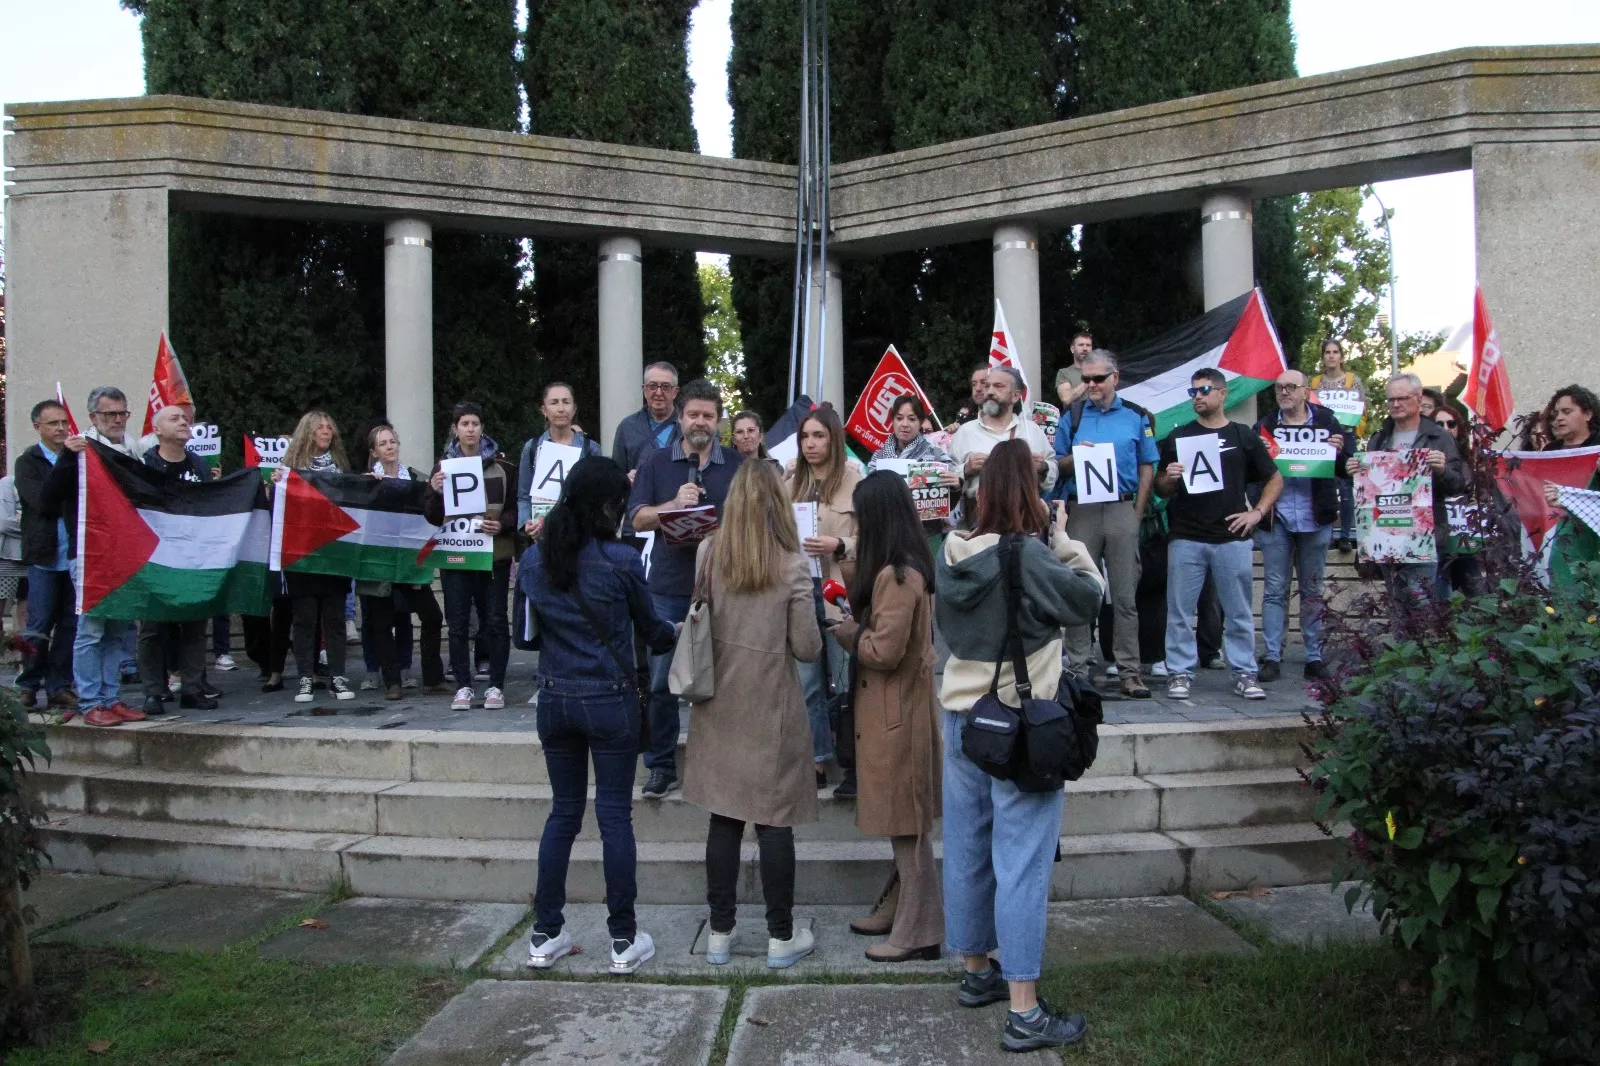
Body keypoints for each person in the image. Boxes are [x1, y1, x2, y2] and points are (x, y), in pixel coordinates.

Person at [936, 439, 1101, 1052]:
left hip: (961, 718)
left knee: (968, 847)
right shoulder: (1031, 554)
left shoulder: (948, 554)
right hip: (1020, 725)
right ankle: (1025, 1010)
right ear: (1028, 493)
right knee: (1022, 862)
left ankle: (978, 972)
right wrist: (1061, 537)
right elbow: (1089, 597)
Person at [518, 457, 678, 975]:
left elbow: (528, 634)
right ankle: (623, 939)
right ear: (608, 505)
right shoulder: (621, 560)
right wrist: (679, 630)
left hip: (554, 698)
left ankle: (545, 933)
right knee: (614, 816)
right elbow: (652, 631)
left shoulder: (535, 560)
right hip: (609, 700)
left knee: (563, 812)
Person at [681, 460, 821, 970]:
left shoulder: (709, 551)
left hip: (718, 701)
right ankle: (780, 938)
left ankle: (720, 933)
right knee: (773, 821)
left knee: (723, 817)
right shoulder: (792, 563)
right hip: (771, 703)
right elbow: (806, 648)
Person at [826, 472, 943, 962]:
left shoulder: (898, 575)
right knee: (902, 823)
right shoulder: (905, 567)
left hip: (900, 718)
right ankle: (899, 909)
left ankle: (919, 932)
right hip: (900, 712)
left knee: (910, 829)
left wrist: (845, 629)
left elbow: (884, 649)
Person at [627, 379, 744, 797]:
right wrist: (674, 507)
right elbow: (637, 519)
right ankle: (660, 765)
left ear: (719, 421)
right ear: (680, 418)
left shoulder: (736, 464)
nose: (700, 421)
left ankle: (722, 761)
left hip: (724, 583)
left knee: (727, 678)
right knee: (661, 681)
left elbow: (752, 521)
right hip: (668, 585)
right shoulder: (656, 462)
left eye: (708, 416)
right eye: (693, 414)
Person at [1154, 369, 1282, 701]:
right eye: (1193, 391)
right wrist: (1169, 476)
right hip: (1186, 535)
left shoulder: (1242, 435)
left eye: (1205, 390)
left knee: (1238, 611)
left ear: (1222, 394)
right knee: (1180, 611)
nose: (1197, 396)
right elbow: (1162, 489)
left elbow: (1274, 478)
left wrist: (1256, 512)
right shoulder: (1179, 435)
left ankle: (1244, 672)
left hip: (1232, 538)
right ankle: (1179, 672)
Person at [1053, 349, 1157, 698]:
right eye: (1086, 379)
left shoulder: (1136, 416)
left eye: (1099, 378)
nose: (1092, 384)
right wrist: (1075, 455)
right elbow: (1057, 466)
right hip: (1082, 507)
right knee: (1081, 589)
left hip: (1120, 507)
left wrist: (1138, 512)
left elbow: (1147, 464)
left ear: (1116, 377)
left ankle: (1130, 671)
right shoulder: (1075, 414)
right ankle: (1079, 669)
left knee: (1125, 594)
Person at [1253, 370, 1355, 682]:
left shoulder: (1327, 423)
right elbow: (1251, 470)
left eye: (1290, 387)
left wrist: (1340, 452)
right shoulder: (1265, 426)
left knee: (1312, 589)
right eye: (1278, 387)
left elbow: (1345, 470)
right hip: (1278, 516)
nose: (1283, 392)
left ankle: (1314, 655)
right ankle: (1272, 654)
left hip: (1315, 516)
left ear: (1304, 391)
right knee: (1273, 589)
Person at [786, 406, 862, 782]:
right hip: (799, 590)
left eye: (818, 436)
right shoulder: (790, 483)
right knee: (806, 681)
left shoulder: (854, 479)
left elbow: (870, 537)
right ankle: (815, 758)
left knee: (846, 677)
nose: (810, 444)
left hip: (840, 589)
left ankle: (851, 762)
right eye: (805, 437)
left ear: (833, 439)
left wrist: (840, 543)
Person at [425, 403, 515, 711]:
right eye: (465, 423)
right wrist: (435, 492)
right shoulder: (442, 468)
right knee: (458, 622)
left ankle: (496, 685)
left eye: (475, 423)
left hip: (493, 556)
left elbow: (516, 509)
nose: (471, 429)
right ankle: (463, 685)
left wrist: (501, 523)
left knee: (496, 621)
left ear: (482, 428)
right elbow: (432, 516)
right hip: (457, 556)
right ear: (455, 429)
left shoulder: (503, 466)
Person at [1349, 373, 1465, 604]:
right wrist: (1355, 470)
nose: (1396, 404)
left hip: (1424, 537)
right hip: (1387, 533)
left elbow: (1458, 485)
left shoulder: (1438, 437)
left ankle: (1425, 642)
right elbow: (1370, 490)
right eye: (1391, 400)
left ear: (1419, 399)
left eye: (1402, 398)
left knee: (1422, 605)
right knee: (1396, 607)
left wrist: (1442, 470)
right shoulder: (1379, 439)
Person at [135, 406, 221, 712]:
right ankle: (153, 692)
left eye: (186, 419)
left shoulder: (198, 464)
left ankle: (192, 688)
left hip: (192, 557)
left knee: (195, 626)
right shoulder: (146, 464)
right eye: (175, 418)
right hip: (157, 558)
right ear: (157, 430)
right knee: (153, 628)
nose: (184, 422)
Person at [355, 424, 445, 701]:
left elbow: (431, 515)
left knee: (432, 616)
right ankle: (391, 681)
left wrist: (434, 492)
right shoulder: (366, 482)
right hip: (379, 560)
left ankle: (432, 678)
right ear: (374, 452)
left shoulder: (417, 478)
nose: (390, 447)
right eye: (383, 444)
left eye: (392, 441)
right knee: (382, 622)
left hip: (409, 560)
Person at [275, 410, 357, 703]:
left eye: (329, 427)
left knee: (335, 620)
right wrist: (276, 485)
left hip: (334, 555)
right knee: (305, 620)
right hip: (304, 555)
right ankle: (305, 678)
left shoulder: (341, 469)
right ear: (307, 432)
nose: (326, 431)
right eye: (320, 427)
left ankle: (337, 676)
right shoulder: (291, 469)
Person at [13, 399, 79, 711]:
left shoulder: (77, 459)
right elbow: (43, 501)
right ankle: (28, 684)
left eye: (64, 423)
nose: (61, 429)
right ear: (38, 426)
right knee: (38, 623)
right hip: (45, 555)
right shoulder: (29, 462)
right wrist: (66, 466)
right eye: (53, 423)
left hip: (74, 556)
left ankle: (59, 685)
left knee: (69, 624)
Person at [948, 366, 1056, 528]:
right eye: (988, 386)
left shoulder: (1031, 430)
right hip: (980, 521)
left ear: (1015, 396)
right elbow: (947, 478)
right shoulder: (965, 432)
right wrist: (966, 469)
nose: (990, 392)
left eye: (998, 386)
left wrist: (1043, 467)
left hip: (1025, 521)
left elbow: (1052, 474)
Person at [869, 395, 961, 547]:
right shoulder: (878, 458)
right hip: (887, 536)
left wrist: (956, 486)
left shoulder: (937, 455)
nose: (905, 424)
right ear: (892, 420)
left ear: (920, 423)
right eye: (899, 418)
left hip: (927, 537)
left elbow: (947, 504)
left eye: (912, 419)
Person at [518, 382, 604, 539]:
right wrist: (526, 522)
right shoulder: (532, 448)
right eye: (554, 402)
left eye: (566, 402)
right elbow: (524, 495)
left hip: (581, 534)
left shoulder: (590, 448)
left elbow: (599, 494)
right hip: (543, 535)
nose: (561, 409)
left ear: (574, 409)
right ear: (544, 410)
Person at [1538, 386, 1600, 586]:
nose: (1558, 419)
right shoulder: (1551, 451)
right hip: (1560, 532)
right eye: (1555, 414)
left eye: (1567, 412)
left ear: (1588, 414)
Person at [1309, 339, 1366, 550]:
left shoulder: (1352, 380)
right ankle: (1327, 532)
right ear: (1323, 357)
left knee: (1347, 484)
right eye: (1327, 352)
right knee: (1325, 482)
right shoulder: (1314, 383)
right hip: (1323, 438)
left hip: (1347, 434)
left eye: (1335, 352)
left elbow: (1361, 408)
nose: (1331, 356)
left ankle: (1344, 536)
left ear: (1341, 356)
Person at [611, 361, 681, 481]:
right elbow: (615, 474)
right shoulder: (627, 426)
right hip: (638, 497)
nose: (658, 393)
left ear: (675, 392)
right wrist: (626, 480)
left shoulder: (689, 425)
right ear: (644, 389)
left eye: (665, 387)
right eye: (652, 386)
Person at [0, 476, 24, 642]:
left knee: (28, 615)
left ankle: (27, 662)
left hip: (33, 559)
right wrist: (32, 526)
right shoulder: (8, 483)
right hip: (7, 558)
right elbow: (3, 523)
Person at [1054, 331, 1096, 409]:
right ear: (1072, 349)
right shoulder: (1064, 373)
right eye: (1081, 345)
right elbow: (1066, 399)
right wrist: (1089, 380)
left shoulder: (1100, 370)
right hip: (1074, 419)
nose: (1085, 348)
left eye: (1088, 345)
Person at [946, 363, 991, 430]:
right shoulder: (962, 426)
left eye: (983, 383)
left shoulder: (1010, 422)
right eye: (974, 384)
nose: (978, 388)